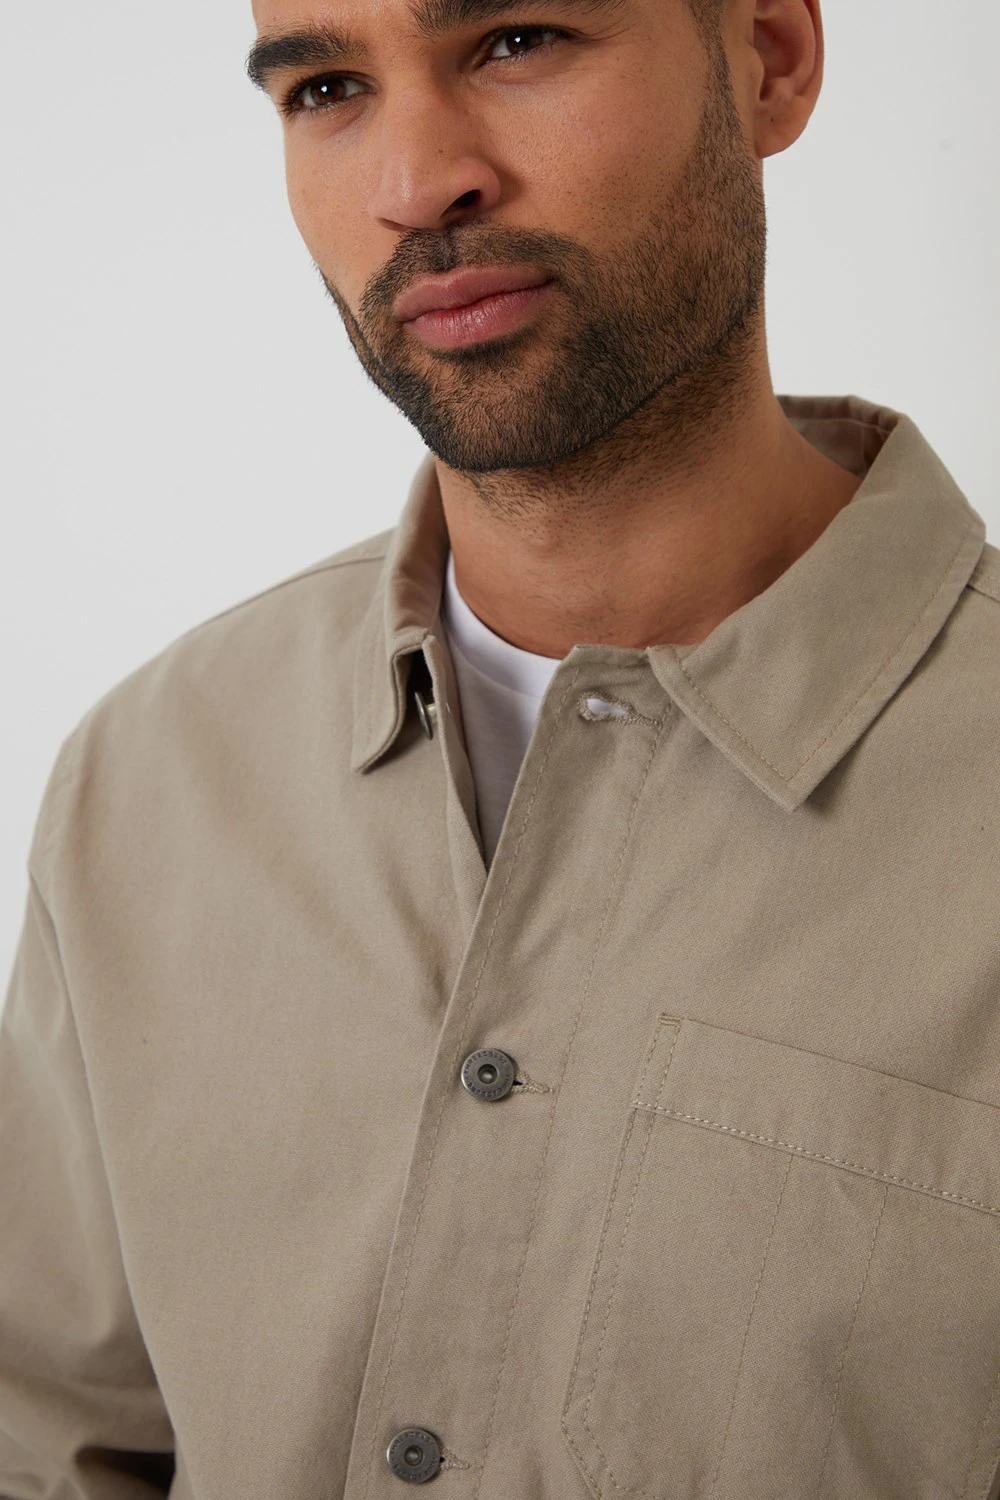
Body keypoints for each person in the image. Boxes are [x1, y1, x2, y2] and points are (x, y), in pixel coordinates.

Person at [2, 0, 998, 1495]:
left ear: (771, 61)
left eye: (518, 40)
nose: (418, 183)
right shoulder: (150, 778)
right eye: (326, 87)